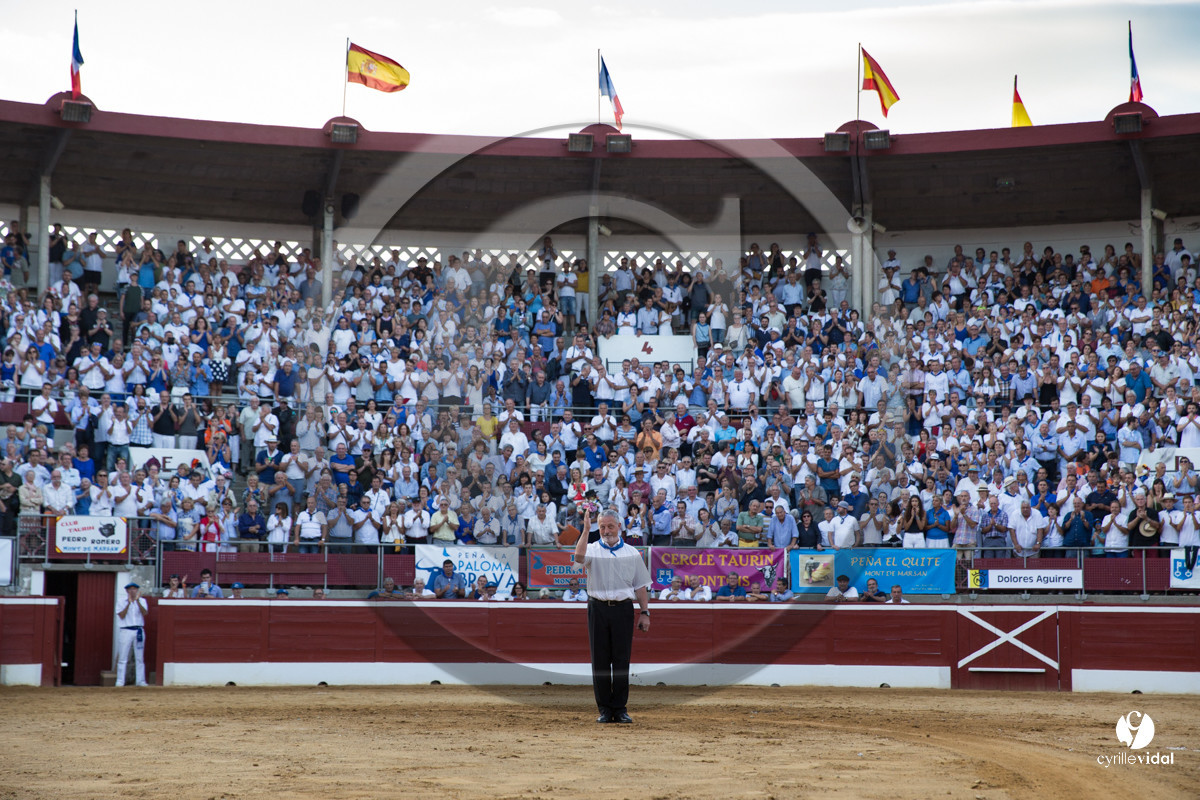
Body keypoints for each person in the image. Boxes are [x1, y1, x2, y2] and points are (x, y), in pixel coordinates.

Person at [572, 508, 651, 724]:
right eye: (602, 527)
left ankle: (620, 708)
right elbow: (578, 557)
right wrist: (586, 530)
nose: (606, 531)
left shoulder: (632, 553)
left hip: (623, 609)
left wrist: (645, 612)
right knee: (600, 660)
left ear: (619, 527)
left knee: (621, 660)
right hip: (597, 608)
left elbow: (640, 586)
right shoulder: (592, 548)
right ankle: (605, 709)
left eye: (610, 526)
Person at [114, 581, 149, 687]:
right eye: (130, 589)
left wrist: (137, 601)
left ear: (137, 590)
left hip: (138, 630)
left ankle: (140, 681)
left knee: (139, 657)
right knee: (123, 657)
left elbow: (145, 613)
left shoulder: (142, 601)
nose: (132, 591)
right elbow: (121, 615)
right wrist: (128, 603)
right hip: (126, 630)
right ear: (127, 591)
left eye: (134, 589)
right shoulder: (121, 601)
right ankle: (120, 681)